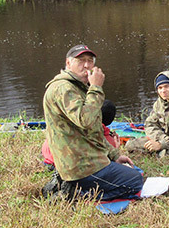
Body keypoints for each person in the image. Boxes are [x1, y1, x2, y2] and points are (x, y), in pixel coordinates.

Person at [42, 44, 143, 201]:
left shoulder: (77, 87)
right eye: (80, 60)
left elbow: (94, 130)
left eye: (90, 61)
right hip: (80, 167)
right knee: (135, 181)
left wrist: (114, 155)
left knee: (132, 172)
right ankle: (75, 194)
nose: (86, 65)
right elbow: (86, 121)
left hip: (86, 158)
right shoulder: (63, 88)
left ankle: (74, 186)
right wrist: (95, 87)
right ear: (68, 63)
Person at [42, 99, 119, 169]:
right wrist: (116, 148)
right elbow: (105, 160)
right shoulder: (108, 139)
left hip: (48, 159)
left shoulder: (71, 123)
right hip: (65, 168)